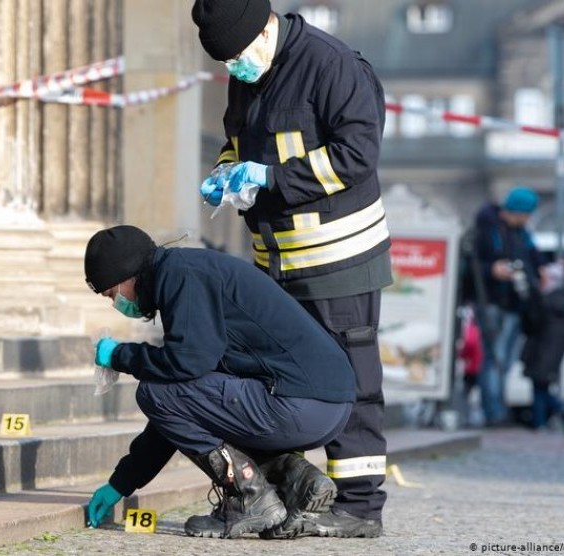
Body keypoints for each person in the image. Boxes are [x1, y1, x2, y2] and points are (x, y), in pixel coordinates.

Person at [191, 0, 391, 538]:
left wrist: (272, 179)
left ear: (264, 30)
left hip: (340, 256)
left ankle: (359, 506)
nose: (234, 69)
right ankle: (283, 495)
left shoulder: (331, 65)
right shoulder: (248, 72)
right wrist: (227, 173)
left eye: (236, 57)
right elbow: (237, 140)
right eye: (225, 63)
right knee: (275, 381)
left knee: (352, 381)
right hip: (277, 262)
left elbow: (357, 154)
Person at [83, 225, 356, 540]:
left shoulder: (179, 276)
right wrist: (122, 482)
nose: (116, 303)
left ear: (126, 277)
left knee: (155, 392)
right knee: (182, 396)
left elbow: (184, 366)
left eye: (112, 294)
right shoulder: (190, 271)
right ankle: (295, 480)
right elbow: (186, 404)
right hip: (326, 406)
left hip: (297, 403)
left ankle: (250, 498)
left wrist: (120, 355)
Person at [471, 186, 544, 426]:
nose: (526, 219)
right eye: (525, 214)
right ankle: (493, 412)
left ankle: (499, 408)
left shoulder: (521, 232)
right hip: (491, 301)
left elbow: (533, 257)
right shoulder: (485, 228)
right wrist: (492, 270)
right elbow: (470, 266)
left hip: (515, 304)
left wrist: (541, 270)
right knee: (495, 357)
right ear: (515, 211)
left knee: (506, 360)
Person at [521, 261, 564, 431]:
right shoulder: (556, 301)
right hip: (547, 353)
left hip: (542, 354)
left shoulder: (548, 300)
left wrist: (535, 292)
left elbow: (532, 320)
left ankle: (540, 422)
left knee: (540, 391)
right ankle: (540, 421)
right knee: (541, 390)